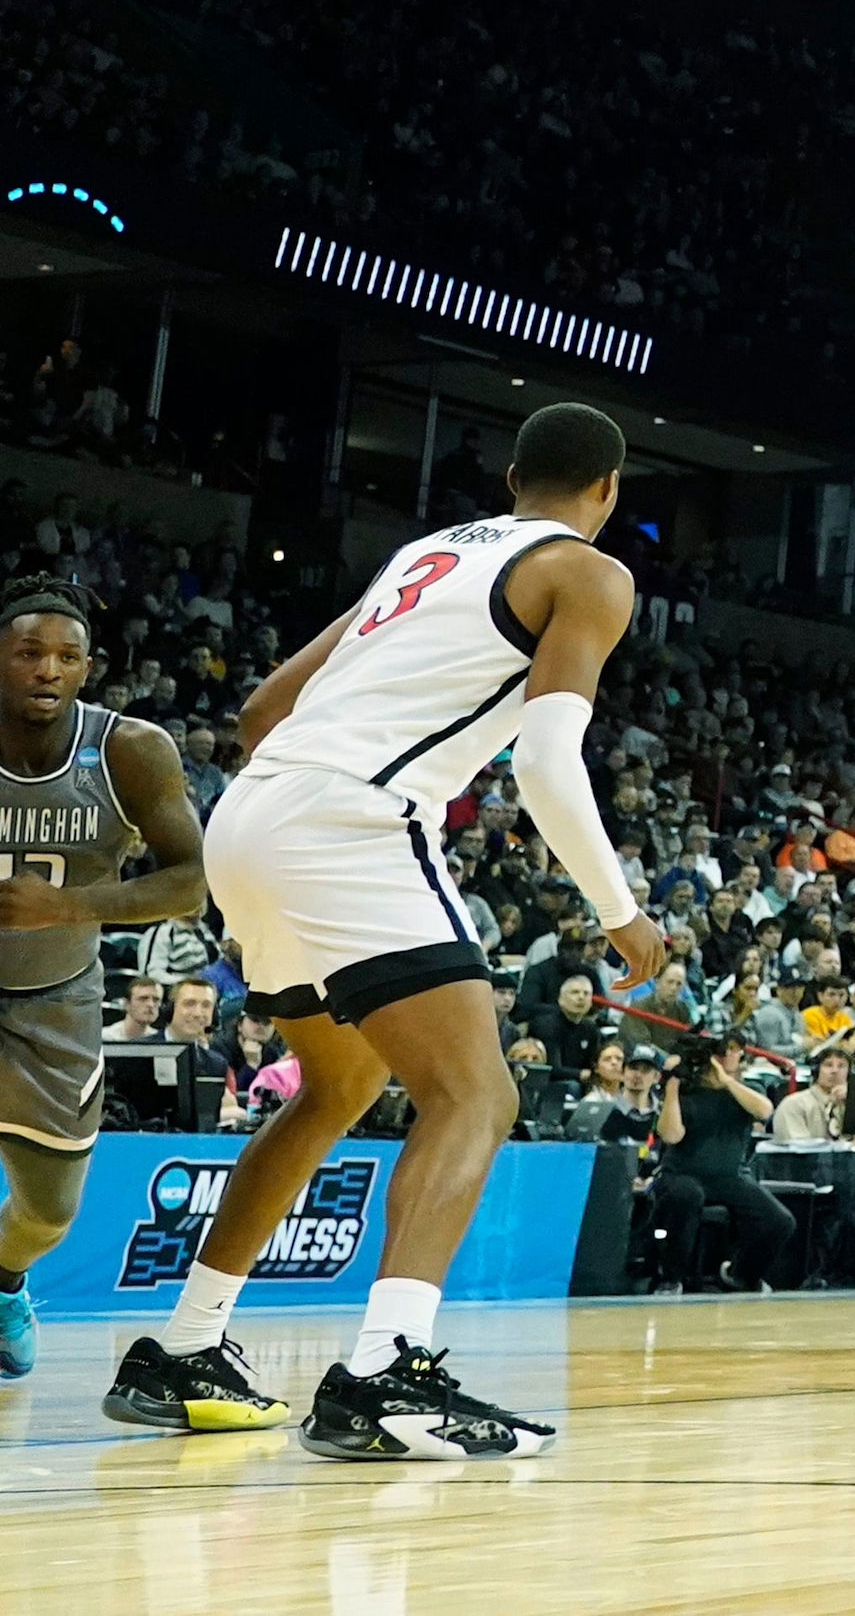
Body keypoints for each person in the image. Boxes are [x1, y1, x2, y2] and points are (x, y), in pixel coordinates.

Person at [106, 402, 666, 1459]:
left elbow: (264, 708)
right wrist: (620, 911)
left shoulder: (427, 552)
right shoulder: (589, 572)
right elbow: (546, 762)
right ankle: (385, 1370)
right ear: (609, 489)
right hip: (350, 821)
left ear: (510, 478)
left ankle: (183, 1346)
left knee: (340, 1083)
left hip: (254, 813)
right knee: (477, 1090)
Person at [0, 578, 211, 1391]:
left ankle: (6, 1280)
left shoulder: (130, 749)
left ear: (90, 667)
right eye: (28, 653)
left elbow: (190, 882)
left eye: (66, 656)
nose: (47, 670)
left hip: (57, 997)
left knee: (48, 1210)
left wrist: (69, 907)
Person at [647, 1034, 796, 1289]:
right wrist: (672, 1086)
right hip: (682, 1174)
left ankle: (742, 1274)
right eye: (721, 1052)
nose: (726, 1056)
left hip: (729, 1177)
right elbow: (671, 1135)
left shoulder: (745, 1092)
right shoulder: (687, 1092)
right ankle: (671, 1278)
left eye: (733, 1051)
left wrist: (726, 1080)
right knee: (687, 1196)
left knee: (779, 1220)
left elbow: (764, 1111)